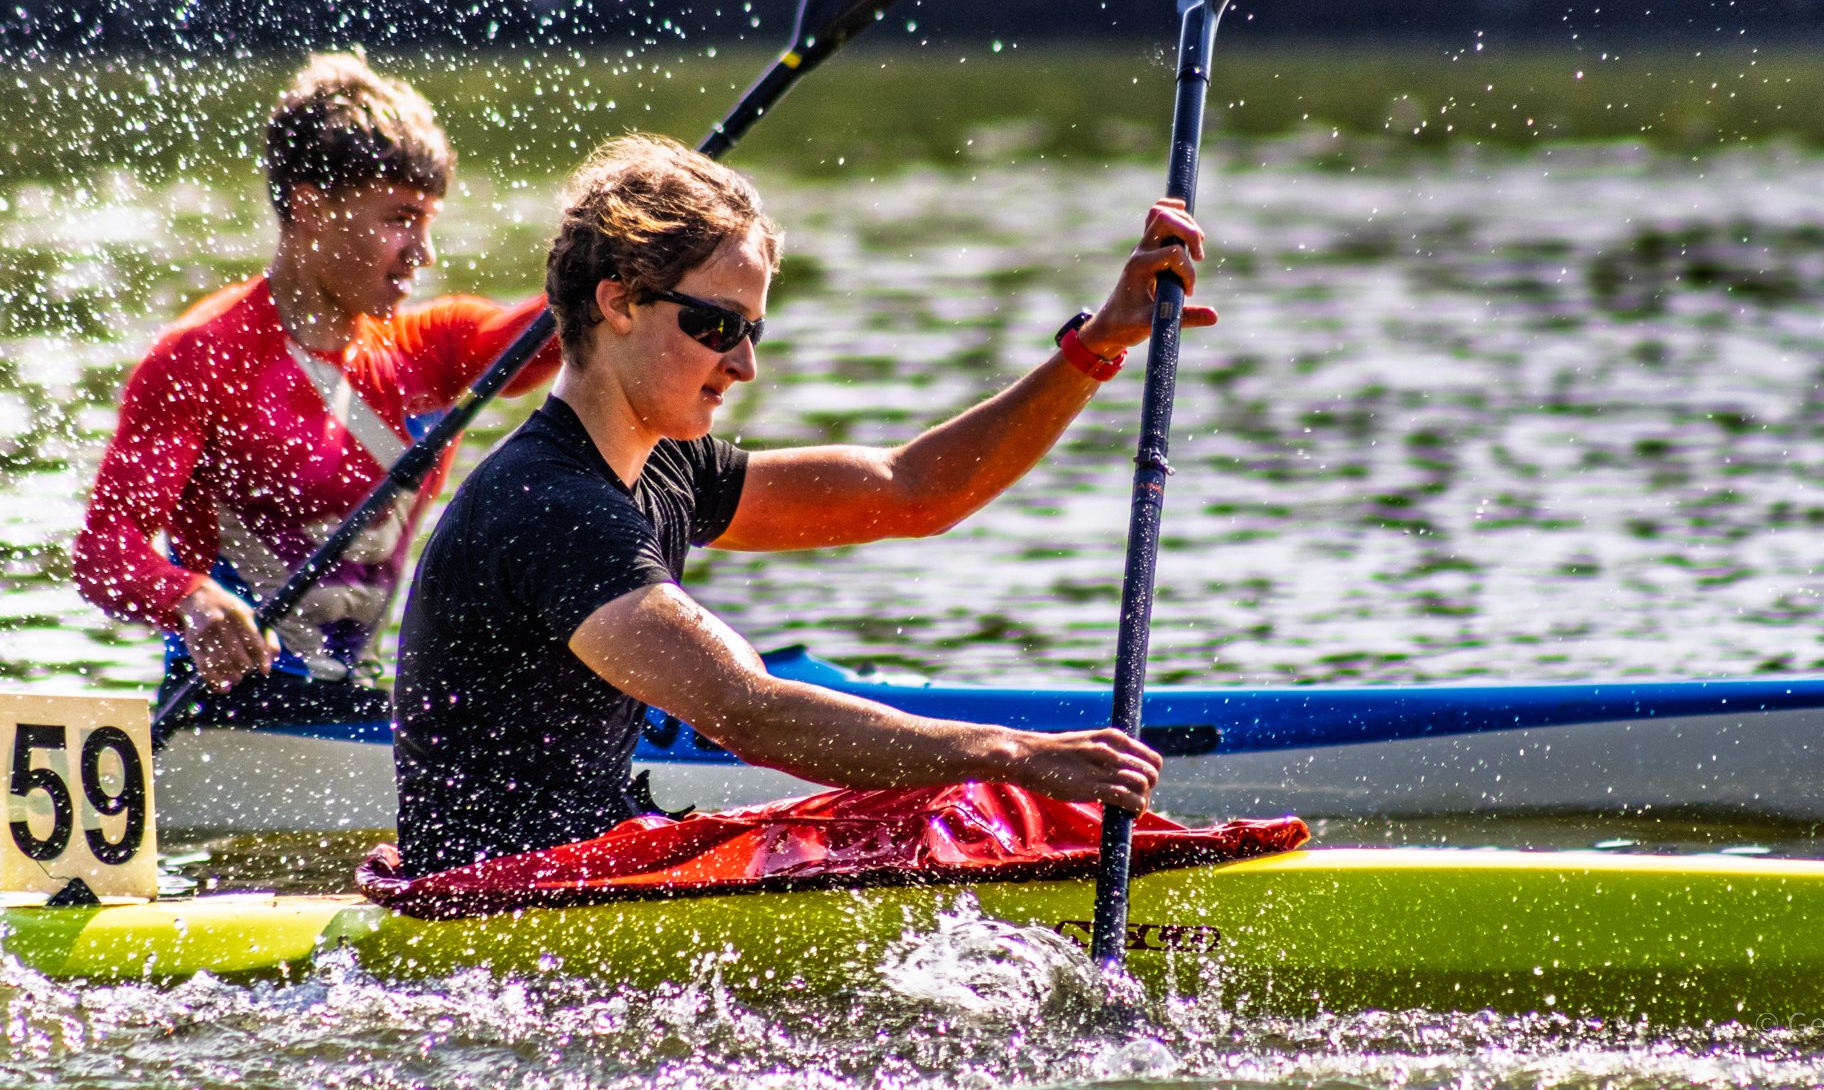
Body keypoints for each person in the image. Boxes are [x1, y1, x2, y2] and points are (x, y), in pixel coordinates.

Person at [393, 134, 1213, 875]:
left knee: (965, 813)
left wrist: (1096, 347)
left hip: (588, 857)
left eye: (754, 330)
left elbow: (913, 492)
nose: (744, 365)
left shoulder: (664, 468)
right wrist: (1009, 752)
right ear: (619, 302)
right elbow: (748, 710)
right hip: (497, 897)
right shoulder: (551, 505)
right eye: (717, 327)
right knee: (974, 806)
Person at [73, 51, 559, 724]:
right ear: (312, 208)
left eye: (427, 221)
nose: (422, 252)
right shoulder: (202, 357)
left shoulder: (430, 352)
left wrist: (632, 252)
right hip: (228, 715)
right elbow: (103, 549)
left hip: (353, 707)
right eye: (400, 218)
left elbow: (566, 325)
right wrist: (190, 599)